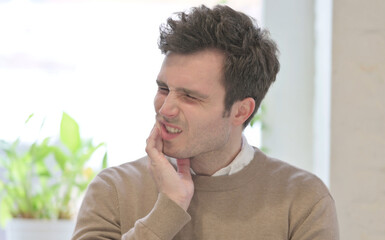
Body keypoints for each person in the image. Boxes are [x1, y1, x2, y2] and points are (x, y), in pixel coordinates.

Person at [71, 4, 339, 240]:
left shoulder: (303, 200)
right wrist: (168, 210)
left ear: (241, 111)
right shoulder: (114, 189)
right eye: (164, 88)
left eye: (189, 96)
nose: (165, 109)